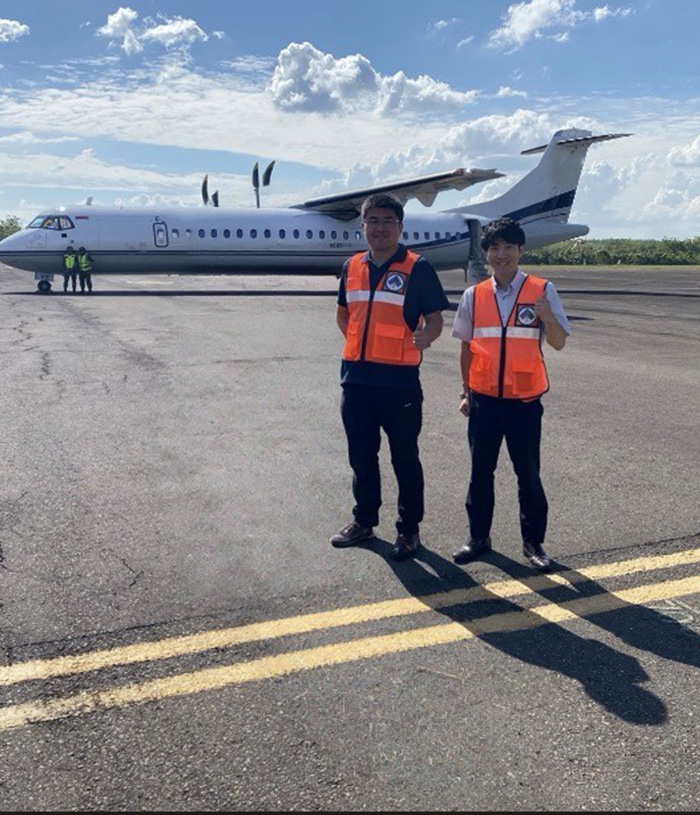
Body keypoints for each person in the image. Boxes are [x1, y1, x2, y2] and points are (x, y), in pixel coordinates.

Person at [331, 193, 450, 560]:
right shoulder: (351, 266)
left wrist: (426, 338)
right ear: (363, 226)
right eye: (373, 220)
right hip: (356, 381)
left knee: (405, 459)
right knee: (361, 457)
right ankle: (364, 521)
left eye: (388, 221)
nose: (380, 228)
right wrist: (362, 346)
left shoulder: (418, 267)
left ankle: (408, 529)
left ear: (400, 227)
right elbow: (343, 315)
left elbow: (435, 319)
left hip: (399, 383)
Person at [451, 217, 570, 571]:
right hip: (484, 401)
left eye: (508, 247)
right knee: (480, 473)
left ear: (521, 250)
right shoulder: (474, 295)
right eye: (494, 248)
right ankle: (478, 537)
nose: (501, 254)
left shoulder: (542, 290)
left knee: (528, 475)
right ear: (486, 253)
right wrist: (465, 392)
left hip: (524, 402)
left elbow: (559, 343)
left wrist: (548, 317)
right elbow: (466, 349)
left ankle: (533, 543)